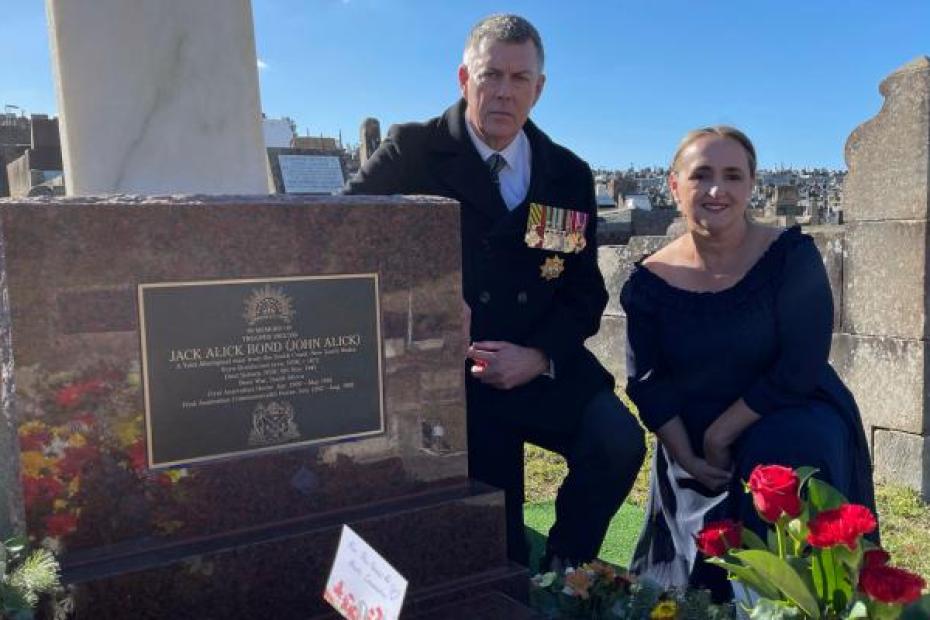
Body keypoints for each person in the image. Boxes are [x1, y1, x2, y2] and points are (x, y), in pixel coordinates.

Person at [345, 14, 645, 569]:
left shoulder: (566, 172)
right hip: (452, 374)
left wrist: (539, 356)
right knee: (493, 541)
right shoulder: (413, 151)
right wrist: (424, 302)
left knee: (617, 442)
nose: (504, 92)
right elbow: (340, 237)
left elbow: (583, 291)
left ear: (540, 88)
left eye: (519, 78)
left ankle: (565, 569)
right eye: (491, 75)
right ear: (464, 78)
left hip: (537, 359)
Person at [621, 126, 876, 598]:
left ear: (751, 185)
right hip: (691, 432)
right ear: (674, 185)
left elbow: (800, 365)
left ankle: (804, 594)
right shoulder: (649, 282)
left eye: (733, 176)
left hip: (788, 407)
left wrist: (723, 433)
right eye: (701, 175)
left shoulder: (790, 257)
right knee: (694, 591)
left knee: (785, 453)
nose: (717, 190)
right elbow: (649, 382)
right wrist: (688, 455)